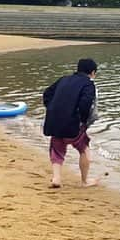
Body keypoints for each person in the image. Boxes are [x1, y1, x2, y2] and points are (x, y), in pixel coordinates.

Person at [42, 58, 99, 188]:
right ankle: (84, 181)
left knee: (57, 149)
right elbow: (85, 104)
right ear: (93, 72)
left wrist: (51, 109)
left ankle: (56, 178)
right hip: (73, 125)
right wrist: (83, 121)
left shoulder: (63, 79)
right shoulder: (89, 84)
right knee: (84, 149)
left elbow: (47, 94)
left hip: (54, 123)